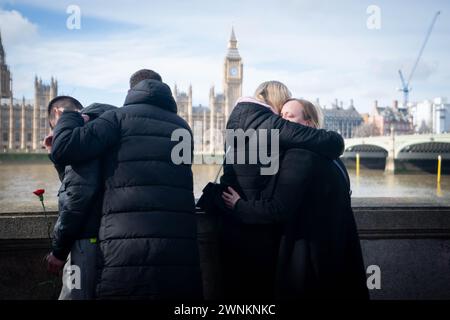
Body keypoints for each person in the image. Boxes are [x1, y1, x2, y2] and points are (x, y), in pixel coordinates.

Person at [49, 69, 203, 299]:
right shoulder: (182, 128)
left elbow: (63, 149)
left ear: (131, 91)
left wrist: (70, 116)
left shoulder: (117, 119)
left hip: (126, 244)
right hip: (179, 246)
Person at [222, 98, 369, 299]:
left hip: (309, 260)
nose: (282, 122)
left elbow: (278, 208)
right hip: (340, 254)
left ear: (308, 123)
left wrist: (239, 205)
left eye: (289, 117)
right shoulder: (334, 160)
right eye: (280, 116)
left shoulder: (300, 155)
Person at [44, 96, 117, 299]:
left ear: (59, 114)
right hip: (114, 236)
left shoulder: (82, 134)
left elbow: (77, 194)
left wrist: (59, 251)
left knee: (73, 295)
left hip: (87, 242)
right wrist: (57, 157)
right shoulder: (103, 128)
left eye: (55, 128)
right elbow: (76, 180)